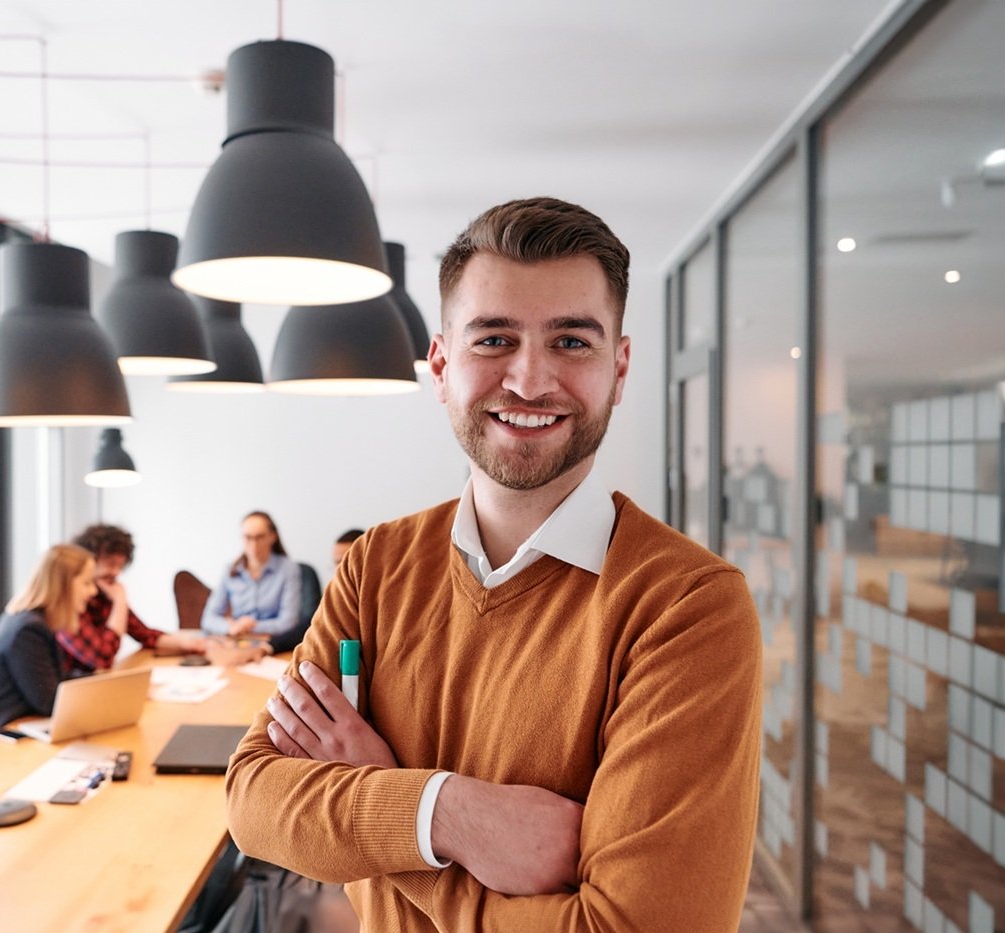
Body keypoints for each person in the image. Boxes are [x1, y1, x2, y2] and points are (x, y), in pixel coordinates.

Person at [224, 197, 762, 930]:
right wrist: (447, 812)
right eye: (494, 340)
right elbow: (255, 799)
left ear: (620, 365)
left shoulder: (687, 607)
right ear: (441, 364)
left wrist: (377, 798)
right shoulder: (375, 566)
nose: (531, 380)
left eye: (571, 341)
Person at [0, 544, 96, 758]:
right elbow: (48, 702)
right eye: (87, 583)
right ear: (62, 585)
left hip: (9, 739)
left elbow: (54, 679)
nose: (93, 591)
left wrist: (98, 682)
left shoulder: (35, 622)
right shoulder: (27, 630)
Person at [59, 523, 206, 674]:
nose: (116, 573)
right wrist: (120, 601)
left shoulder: (105, 596)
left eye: (120, 566)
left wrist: (187, 644)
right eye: (111, 564)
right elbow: (103, 658)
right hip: (74, 689)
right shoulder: (68, 604)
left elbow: (144, 634)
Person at [201, 511, 302, 641]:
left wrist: (252, 626)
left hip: (274, 643)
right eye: (248, 537)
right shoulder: (230, 570)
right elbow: (209, 618)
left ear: (272, 537)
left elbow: (289, 621)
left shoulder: (288, 569)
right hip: (237, 641)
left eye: (260, 537)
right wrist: (230, 627)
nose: (254, 544)